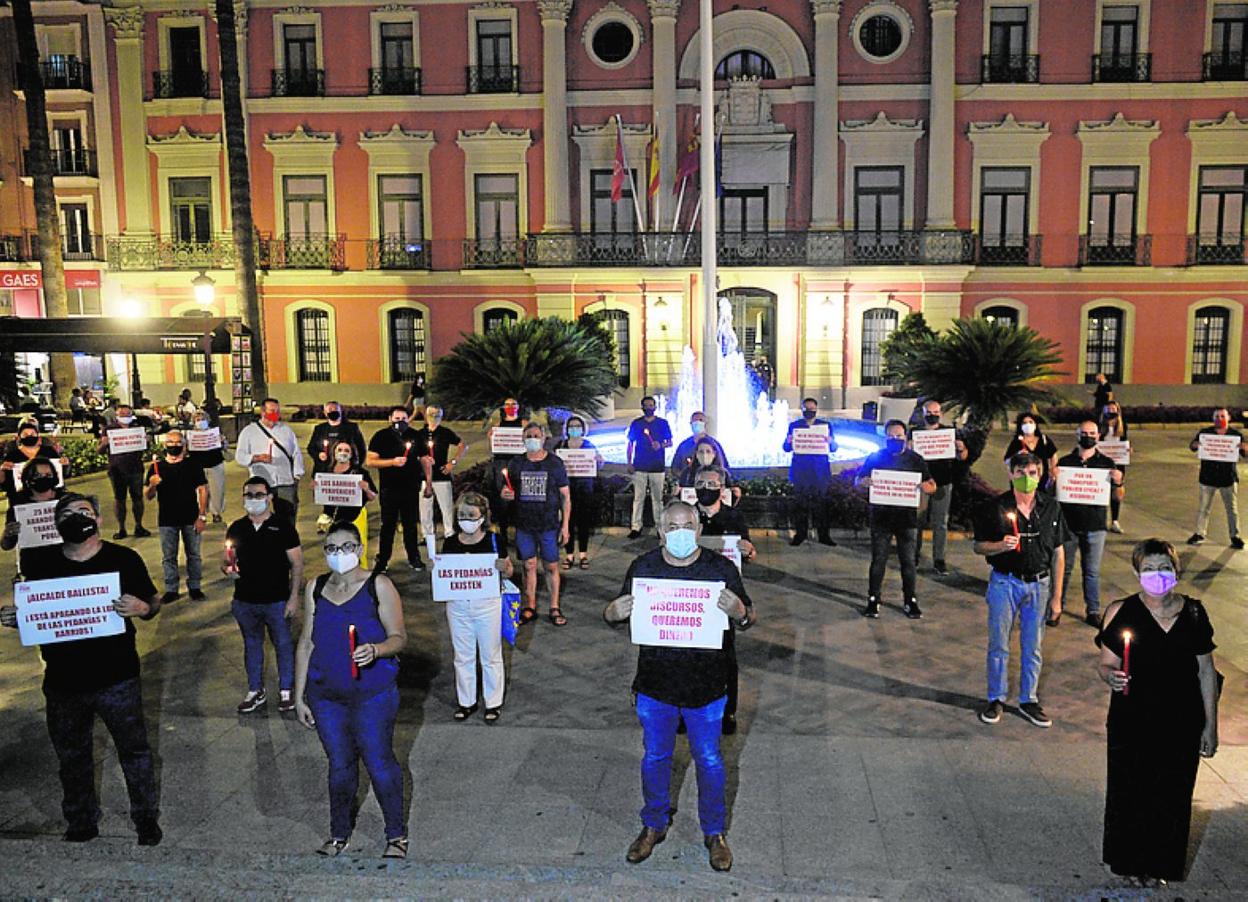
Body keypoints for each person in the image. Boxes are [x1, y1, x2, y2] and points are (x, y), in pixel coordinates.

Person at [0, 493, 163, 846]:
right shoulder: (41, 564)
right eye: (68, 514)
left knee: (134, 752)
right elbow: (38, 611)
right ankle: (80, 820)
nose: (77, 518)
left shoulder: (124, 558)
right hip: (63, 682)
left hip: (117, 678)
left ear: (99, 520)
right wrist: (20, 618)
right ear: (57, 525)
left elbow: (153, 602)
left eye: (85, 512)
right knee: (72, 757)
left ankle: (146, 818)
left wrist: (142, 608)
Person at [602, 500, 756, 872]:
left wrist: (740, 612)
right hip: (656, 687)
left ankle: (715, 833)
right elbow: (616, 615)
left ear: (699, 530)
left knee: (710, 760)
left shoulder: (720, 569)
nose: (680, 533)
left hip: (707, 688)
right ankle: (653, 824)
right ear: (660, 531)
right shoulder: (644, 567)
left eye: (687, 525)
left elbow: (748, 616)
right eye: (672, 527)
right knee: (655, 758)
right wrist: (611, 613)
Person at [1095, 539, 1220, 887]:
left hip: (1180, 720)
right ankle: (1130, 862)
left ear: (1176, 571)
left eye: (1164, 567)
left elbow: (1206, 672)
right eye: (1149, 569)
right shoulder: (1121, 612)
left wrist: (1211, 725)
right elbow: (1105, 664)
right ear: (1137, 573)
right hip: (1132, 720)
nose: (1157, 575)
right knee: (1129, 791)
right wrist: (1111, 677)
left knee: (1173, 794)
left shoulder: (1194, 613)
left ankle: (1160, 864)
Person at [293, 521, 409, 859]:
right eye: (331, 548)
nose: (338, 554)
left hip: (372, 694)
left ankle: (396, 834)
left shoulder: (379, 586)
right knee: (339, 765)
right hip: (327, 696)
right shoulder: (315, 587)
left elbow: (400, 637)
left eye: (345, 547)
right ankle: (339, 833)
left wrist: (376, 649)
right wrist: (299, 695)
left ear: (358, 550)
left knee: (379, 761)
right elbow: (305, 643)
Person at [972, 452, 1069, 728]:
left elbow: (1059, 553)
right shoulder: (995, 507)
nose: (1028, 479)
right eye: (1021, 473)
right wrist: (1000, 545)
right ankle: (996, 697)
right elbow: (979, 546)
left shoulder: (1051, 507)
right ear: (1011, 474)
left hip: (1039, 585)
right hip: (1005, 582)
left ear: (1041, 475)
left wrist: (1057, 598)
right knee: (999, 643)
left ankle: (1028, 699)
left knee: (1033, 645)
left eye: (1033, 474)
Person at [223, 476, 304, 714]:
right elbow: (227, 559)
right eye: (248, 495)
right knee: (252, 645)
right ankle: (255, 690)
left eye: (259, 495)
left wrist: (293, 597)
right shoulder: (237, 528)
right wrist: (227, 569)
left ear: (269, 497)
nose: (253, 500)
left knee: (283, 644)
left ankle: (286, 691)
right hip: (245, 600)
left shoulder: (284, 527)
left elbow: (297, 564)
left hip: (276, 600)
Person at [437, 492, 512, 722]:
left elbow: (509, 572)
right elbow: (445, 573)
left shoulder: (494, 540)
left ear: (482, 516)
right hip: (458, 606)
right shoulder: (450, 542)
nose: (466, 519)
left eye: (471, 514)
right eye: (462, 515)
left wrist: (504, 567)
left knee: (490, 655)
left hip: (487, 604)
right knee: (462, 655)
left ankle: (493, 703)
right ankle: (466, 702)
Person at [693, 465, 756, 735]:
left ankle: (728, 711)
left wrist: (750, 551)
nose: (706, 489)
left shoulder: (734, 517)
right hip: (691, 594)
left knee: (725, 658)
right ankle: (688, 709)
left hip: (723, 597)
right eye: (700, 483)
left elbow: (749, 554)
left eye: (712, 484)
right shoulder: (686, 515)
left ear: (722, 488)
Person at [855, 420, 937, 620]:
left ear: (906, 437)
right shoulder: (875, 457)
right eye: (891, 436)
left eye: (899, 436)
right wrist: (864, 482)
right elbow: (858, 480)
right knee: (878, 561)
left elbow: (931, 484)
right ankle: (873, 598)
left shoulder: (916, 459)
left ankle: (910, 600)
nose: (895, 439)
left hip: (907, 519)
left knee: (908, 562)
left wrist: (928, 488)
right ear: (885, 438)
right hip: (881, 518)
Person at [1050, 421, 1123, 628]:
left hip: (1096, 526)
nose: (1088, 436)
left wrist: (1118, 482)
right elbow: (1050, 493)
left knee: (1091, 571)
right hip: (1068, 525)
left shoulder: (1107, 464)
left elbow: (1118, 497)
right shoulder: (1065, 462)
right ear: (1077, 435)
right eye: (1084, 433)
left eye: (1092, 433)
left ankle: (1093, 610)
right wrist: (1052, 479)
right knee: (1064, 569)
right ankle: (1057, 608)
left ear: (1098, 436)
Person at [501, 422, 571, 626]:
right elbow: (507, 490)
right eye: (528, 435)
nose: (532, 438)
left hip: (548, 525)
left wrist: (565, 525)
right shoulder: (516, 463)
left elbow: (566, 496)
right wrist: (505, 495)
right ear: (522, 439)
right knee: (528, 565)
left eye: (536, 435)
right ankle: (529, 605)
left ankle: (554, 606)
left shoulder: (555, 463)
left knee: (551, 566)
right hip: (524, 524)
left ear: (543, 438)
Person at [144, 430, 208, 604]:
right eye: (170, 442)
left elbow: (203, 490)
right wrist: (152, 485)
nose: (174, 446)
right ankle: (171, 588)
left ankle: (194, 586)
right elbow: (148, 496)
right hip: (167, 519)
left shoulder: (193, 465)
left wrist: (202, 516)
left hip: (191, 517)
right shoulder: (156, 467)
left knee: (194, 554)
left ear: (184, 445)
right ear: (165, 445)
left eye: (177, 442)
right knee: (168, 556)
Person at [365, 407, 426, 573]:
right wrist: (392, 462)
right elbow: (370, 461)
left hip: (411, 488)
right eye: (397, 418)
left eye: (404, 418)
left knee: (410, 525)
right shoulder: (381, 436)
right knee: (388, 526)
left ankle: (414, 557)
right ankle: (383, 559)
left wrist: (428, 482)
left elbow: (424, 459)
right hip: (389, 489)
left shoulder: (415, 435)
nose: (400, 421)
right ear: (390, 419)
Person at [912, 399, 968, 575]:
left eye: (936, 412)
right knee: (917, 521)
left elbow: (962, 457)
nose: (932, 415)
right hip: (920, 484)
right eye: (929, 412)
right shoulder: (914, 433)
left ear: (941, 414)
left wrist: (961, 448)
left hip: (943, 482)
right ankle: (913, 556)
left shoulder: (948, 433)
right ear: (923, 413)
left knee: (941, 523)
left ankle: (939, 559)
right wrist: (909, 448)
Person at [234, 398, 305, 520]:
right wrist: (256, 458)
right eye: (272, 411)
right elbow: (240, 456)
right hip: (261, 481)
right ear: (262, 412)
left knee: (287, 515)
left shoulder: (286, 430)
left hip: (285, 481)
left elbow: (296, 453)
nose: (275, 414)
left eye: (277, 411)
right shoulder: (249, 432)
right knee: (259, 514)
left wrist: (297, 475)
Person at [1186, 407, 1247, 549]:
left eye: (1222, 416)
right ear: (1213, 419)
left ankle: (1235, 536)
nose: (1219, 419)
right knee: (1204, 508)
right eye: (1217, 417)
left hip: (1228, 478)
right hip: (1208, 477)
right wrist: (1195, 445)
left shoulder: (1235, 435)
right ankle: (1200, 533)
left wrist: (1244, 448)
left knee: (1232, 510)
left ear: (1228, 418)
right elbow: (1192, 446)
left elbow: (1245, 454)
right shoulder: (1205, 433)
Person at [782, 398, 838, 546]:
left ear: (816, 409)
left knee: (821, 505)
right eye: (806, 409)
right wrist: (788, 441)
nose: (809, 411)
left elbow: (834, 448)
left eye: (812, 409)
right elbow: (786, 448)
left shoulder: (825, 426)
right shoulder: (794, 426)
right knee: (801, 505)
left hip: (820, 471)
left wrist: (831, 441)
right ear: (802, 410)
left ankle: (824, 535)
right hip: (801, 470)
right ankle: (800, 534)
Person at [553, 415, 604, 570]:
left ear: (582, 429)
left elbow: (597, 466)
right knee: (567, 522)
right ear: (567, 429)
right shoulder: (561, 446)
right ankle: (569, 555)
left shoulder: (589, 446)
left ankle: (583, 554)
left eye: (577, 426)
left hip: (584, 488)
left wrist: (599, 461)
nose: (574, 429)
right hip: (566, 489)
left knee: (583, 522)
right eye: (571, 426)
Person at [1, 457, 66, 576]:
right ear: (27, 479)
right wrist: (8, 534)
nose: (43, 478)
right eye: (37, 475)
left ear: (55, 477)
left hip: (67, 564)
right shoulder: (19, 505)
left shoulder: (67, 500)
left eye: (48, 474)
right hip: (34, 567)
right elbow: (7, 545)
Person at [96, 404, 151, 539]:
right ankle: (121, 528)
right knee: (119, 499)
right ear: (116, 415)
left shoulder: (137, 428)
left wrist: (147, 441)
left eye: (127, 414)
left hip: (135, 468)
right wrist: (104, 443)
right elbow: (99, 450)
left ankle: (139, 525)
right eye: (122, 415)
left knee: (137, 498)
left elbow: (145, 448)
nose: (125, 417)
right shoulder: (109, 430)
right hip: (117, 470)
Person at [414, 405, 465, 542]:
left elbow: (462, 445)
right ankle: (427, 535)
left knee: (446, 507)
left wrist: (452, 462)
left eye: (437, 414)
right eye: (431, 414)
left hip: (442, 475)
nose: (434, 417)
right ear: (426, 415)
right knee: (425, 509)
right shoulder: (419, 434)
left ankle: (449, 534)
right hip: (424, 477)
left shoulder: (446, 432)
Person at [626, 396, 673, 539]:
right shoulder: (636, 423)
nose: (649, 408)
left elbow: (670, 442)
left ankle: (659, 527)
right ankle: (636, 527)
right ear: (642, 407)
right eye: (646, 406)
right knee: (638, 498)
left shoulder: (662, 423)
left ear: (655, 407)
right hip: (640, 466)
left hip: (657, 467)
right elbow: (630, 444)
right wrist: (629, 462)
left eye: (651, 405)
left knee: (657, 499)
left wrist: (660, 444)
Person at [487, 397, 527, 557]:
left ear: (518, 407)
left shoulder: (523, 424)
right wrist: (491, 438)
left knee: (518, 501)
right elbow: (492, 449)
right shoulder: (498, 426)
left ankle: (520, 539)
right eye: (507, 404)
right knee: (501, 501)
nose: (510, 407)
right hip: (501, 464)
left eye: (514, 404)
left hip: (517, 463)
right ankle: (502, 534)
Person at [319, 440, 377, 546]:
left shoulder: (360, 473)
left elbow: (372, 497)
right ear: (334, 452)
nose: (343, 453)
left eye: (346, 450)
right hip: (333, 521)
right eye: (339, 450)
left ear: (352, 454)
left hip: (355, 519)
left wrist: (367, 489)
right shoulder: (326, 471)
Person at [2, 418, 67, 503]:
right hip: (21, 502)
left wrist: (65, 464)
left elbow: (62, 474)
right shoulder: (12, 456)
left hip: (51, 500)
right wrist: (2, 469)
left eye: (32, 433)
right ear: (19, 437)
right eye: (25, 434)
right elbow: (5, 483)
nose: (29, 436)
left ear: (38, 436)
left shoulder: (49, 452)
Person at [188, 409, 228, 524]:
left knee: (217, 491)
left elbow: (225, 448)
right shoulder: (191, 435)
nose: (200, 422)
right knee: (199, 492)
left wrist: (223, 441)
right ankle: (201, 513)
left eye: (203, 419)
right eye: (198, 420)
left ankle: (216, 513)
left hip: (214, 464)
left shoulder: (214, 433)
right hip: (197, 467)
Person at [1002, 412, 1058, 492]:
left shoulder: (1043, 440)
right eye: (1024, 423)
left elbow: (1053, 455)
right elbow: (1007, 460)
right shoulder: (1017, 442)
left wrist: (1052, 469)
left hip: (1041, 479)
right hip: (1023, 480)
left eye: (1030, 422)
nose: (1028, 425)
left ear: (1035, 424)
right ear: (1020, 426)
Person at [307, 401, 367, 477]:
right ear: (325, 413)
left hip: (348, 472)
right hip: (323, 471)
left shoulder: (352, 428)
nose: (333, 411)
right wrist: (318, 455)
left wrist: (356, 466)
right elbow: (311, 448)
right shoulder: (319, 429)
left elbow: (361, 449)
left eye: (335, 409)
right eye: (330, 409)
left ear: (340, 411)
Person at [1098, 400, 1129, 532]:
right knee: (1101, 492)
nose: (1111, 411)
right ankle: (1101, 520)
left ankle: (1115, 521)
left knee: (1116, 493)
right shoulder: (1099, 426)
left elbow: (1124, 442)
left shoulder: (1122, 426)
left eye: (1113, 408)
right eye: (1108, 408)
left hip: (1117, 464)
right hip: (1101, 464)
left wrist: (1127, 450)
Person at [671, 411, 730, 480]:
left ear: (705, 424)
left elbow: (724, 467)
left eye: (700, 420)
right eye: (695, 421)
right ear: (691, 424)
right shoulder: (684, 446)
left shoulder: (715, 444)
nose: (697, 423)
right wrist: (686, 478)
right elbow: (675, 468)